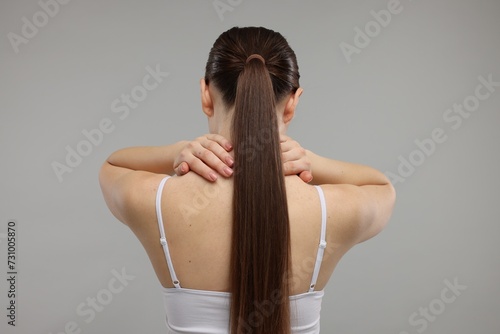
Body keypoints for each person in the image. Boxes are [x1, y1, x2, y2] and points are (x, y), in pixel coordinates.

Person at [99, 26, 396, 334]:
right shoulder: (330, 211)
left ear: (206, 95)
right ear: (292, 103)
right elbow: (382, 188)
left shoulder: (158, 202)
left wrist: (177, 152)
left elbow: (112, 165)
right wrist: (312, 161)